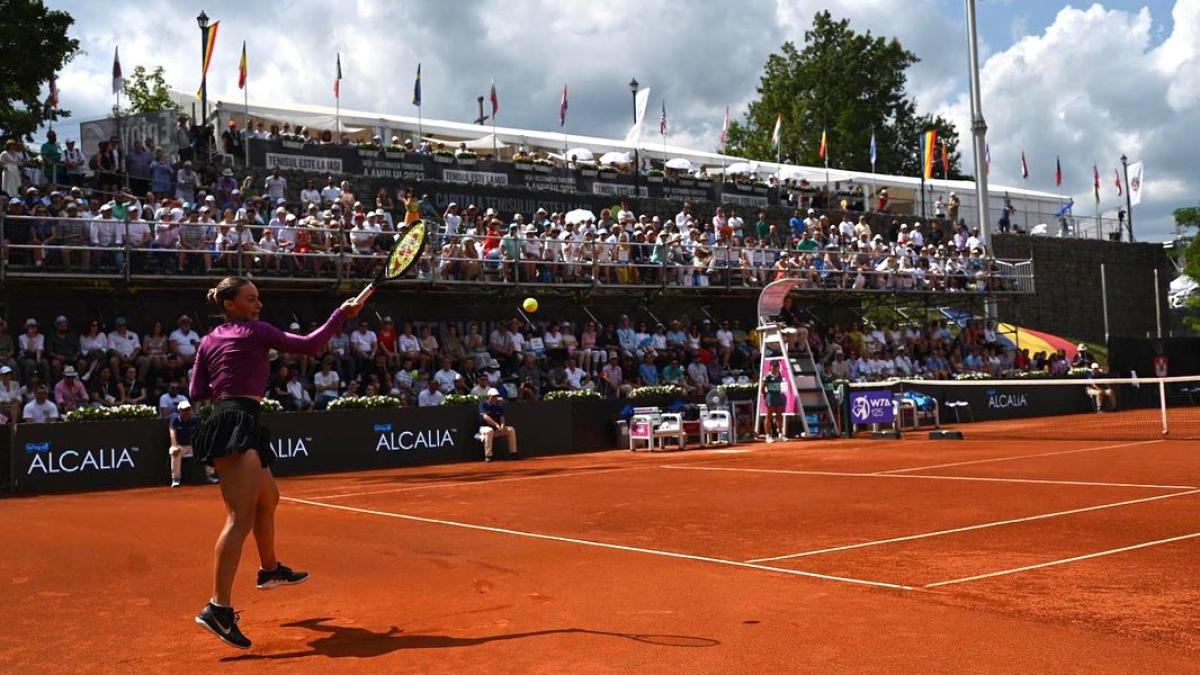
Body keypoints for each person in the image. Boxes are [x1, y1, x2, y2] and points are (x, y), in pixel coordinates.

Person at [189, 276, 362, 650]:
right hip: (237, 420)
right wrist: (340, 315)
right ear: (230, 304)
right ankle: (217, 608)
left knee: (269, 498)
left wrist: (236, 371)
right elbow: (310, 345)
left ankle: (270, 570)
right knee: (239, 517)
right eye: (251, 299)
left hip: (231, 418)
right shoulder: (255, 332)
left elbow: (197, 392)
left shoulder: (208, 340)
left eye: (259, 299)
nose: (258, 305)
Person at [169, 401, 218, 487]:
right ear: (180, 411)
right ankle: (176, 479)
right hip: (180, 446)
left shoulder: (195, 420)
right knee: (174, 452)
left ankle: (210, 475)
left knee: (208, 450)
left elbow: (202, 433)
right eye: (184, 410)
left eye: (188, 409)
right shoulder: (175, 420)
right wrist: (174, 446)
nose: (187, 412)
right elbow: (172, 434)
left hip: (193, 446)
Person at [478, 387, 518, 462]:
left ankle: (513, 453)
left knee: (511, 430)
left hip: (497, 430)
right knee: (489, 430)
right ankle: (488, 456)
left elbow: (502, 418)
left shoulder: (499, 406)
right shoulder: (483, 404)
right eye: (493, 396)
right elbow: (485, 417)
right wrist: (496, 424)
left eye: (496, 396)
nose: (495, 398)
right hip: (484, 429)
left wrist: (502, 426)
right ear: (489, 396)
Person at [760, 361, 786, 442]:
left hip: (778, 396)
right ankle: (768, 436)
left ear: (778, 367)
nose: (774, 368)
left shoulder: (780, 375)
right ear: (770, 367)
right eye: (773, 366)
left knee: (779, 415)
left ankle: (781, 435)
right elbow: (762, 388)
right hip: (770, 396)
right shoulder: (767, 376)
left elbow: (782, 385)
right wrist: (766, 396)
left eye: (776, 366)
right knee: (769, 416)